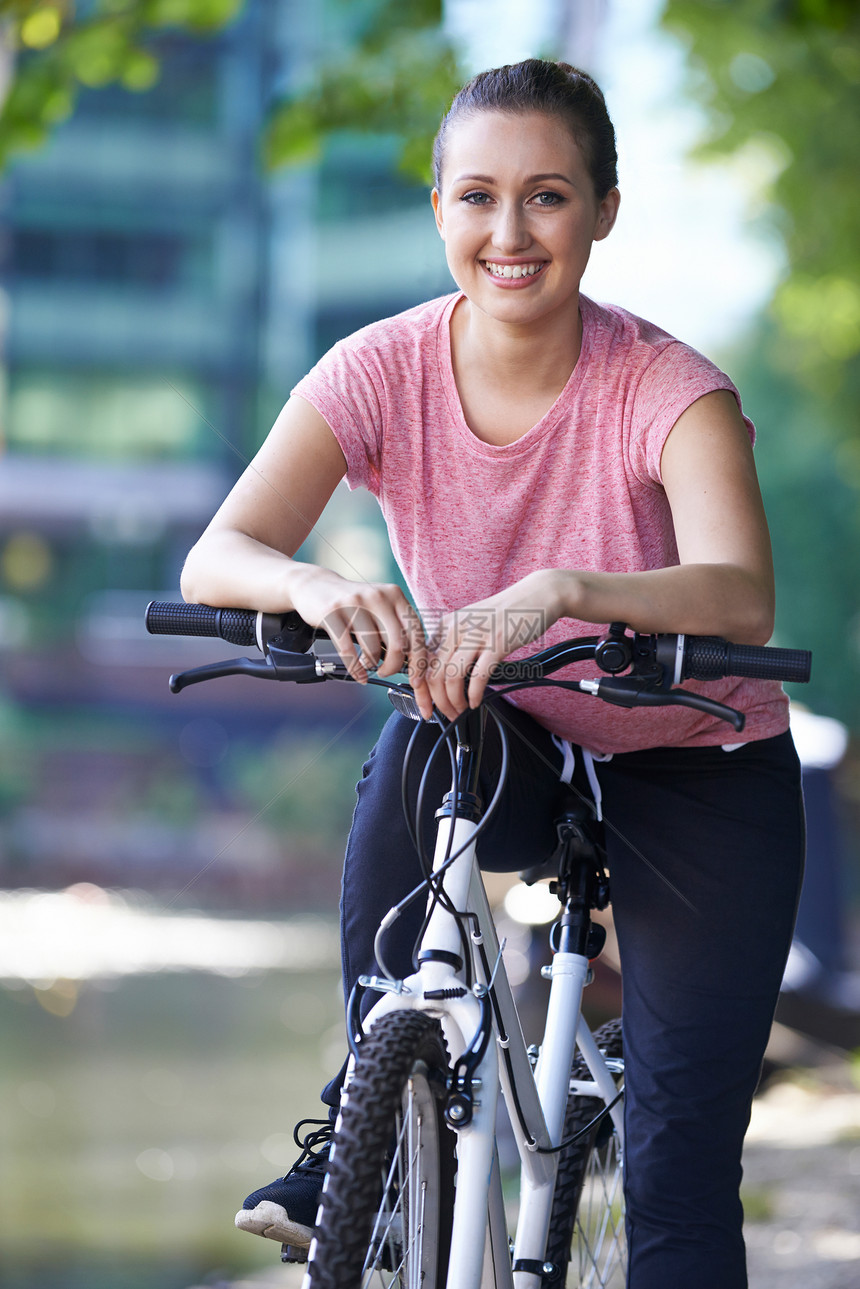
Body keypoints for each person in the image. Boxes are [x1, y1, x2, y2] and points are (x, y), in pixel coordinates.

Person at [180, 59, 805, 1289]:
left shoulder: (666, 387)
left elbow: (737, 591)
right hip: (504, 732)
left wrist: (557, 589)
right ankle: (359, 1103)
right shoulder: (378, 369)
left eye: (546, 197)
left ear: (603, 210)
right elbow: (222, 551)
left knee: (677, 1172)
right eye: (475, 197)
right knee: (416, 744)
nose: (507, 233)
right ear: (436, 212)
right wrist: (315, 586)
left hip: (695, 749)